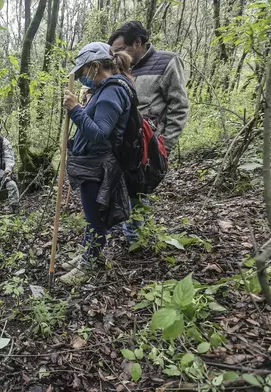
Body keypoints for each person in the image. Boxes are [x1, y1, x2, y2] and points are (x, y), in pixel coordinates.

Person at [108, 21, 189, 245]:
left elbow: (179, 106)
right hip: (122, 144)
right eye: (114, 52)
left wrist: (166, 145)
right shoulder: (122, 67)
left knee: (138, 192)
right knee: (118, 189)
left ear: (138, 42)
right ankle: (126, 234)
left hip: (149, 145)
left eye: (122, 49)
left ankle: (135, 243)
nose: (118, 55)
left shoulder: (167, 62)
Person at [59, 43, 133, 283]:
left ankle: (90, 263)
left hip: (98, 165)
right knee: (91, 214)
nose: (82, 77)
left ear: (96, 66)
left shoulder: (113, 91)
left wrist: (75, 109)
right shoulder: (103, 89)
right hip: (89, 162)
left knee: (95, 218)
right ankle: (86, 251)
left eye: (83, 72)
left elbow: (101, 133)